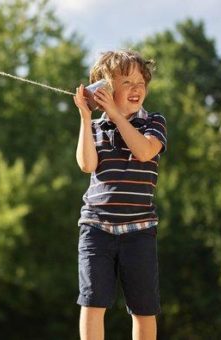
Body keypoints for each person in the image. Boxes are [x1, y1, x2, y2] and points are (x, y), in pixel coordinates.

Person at [72, 50, 167, 340]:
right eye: (126, 82)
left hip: (139, 231)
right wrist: (85, 117)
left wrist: (115, 113)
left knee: (143, 307)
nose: (136, 88)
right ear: (104, 89)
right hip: (96, 229)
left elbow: (143, 151)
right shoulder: (95, 127)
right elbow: (87, 164)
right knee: (92, 301)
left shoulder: (154, 123)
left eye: (141, 81)